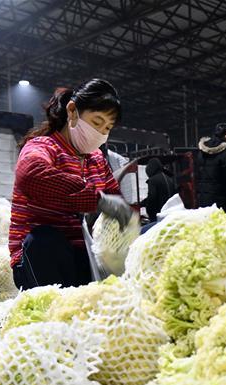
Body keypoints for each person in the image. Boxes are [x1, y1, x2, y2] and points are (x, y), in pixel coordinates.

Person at [9, 79, 135, 290]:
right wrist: (97, 201)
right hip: (42, 261)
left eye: (107, 128)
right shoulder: (43, 148)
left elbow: (115, 200)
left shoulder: (96, 160)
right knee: (45, 240)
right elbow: (30, 174)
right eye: (97, 122)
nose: (101, 134)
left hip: (83, 258)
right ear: (72, 111)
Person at [195, 123, 226, 211]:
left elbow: (197, 173)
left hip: (202, 195)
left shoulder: (201, 152)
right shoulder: (225, 153)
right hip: (219, 197)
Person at [144, 158, 175, 222]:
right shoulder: (169, 178)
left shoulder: (153, 180)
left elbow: (152, 198)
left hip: (158, 215)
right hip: (169, 212)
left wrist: (149, 212)